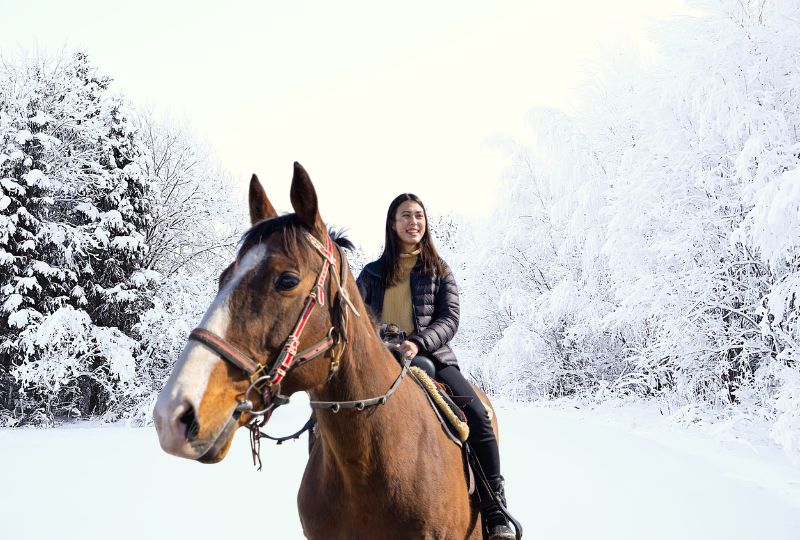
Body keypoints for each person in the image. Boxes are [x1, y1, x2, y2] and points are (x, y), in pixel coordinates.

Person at [356, 193, 515, 540]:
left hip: (432, 358)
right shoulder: (370, 274)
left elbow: (450, 318)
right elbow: (357, 321)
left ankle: (494, 508)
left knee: (479, 416)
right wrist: (383, 340)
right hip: (380, 362)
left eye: (419, 216)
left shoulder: (438, 271)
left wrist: (418, 342)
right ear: (392, 223)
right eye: (405, 216)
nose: (413, 223)